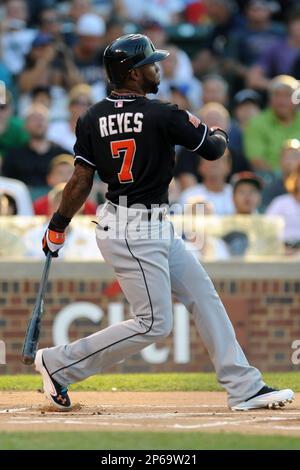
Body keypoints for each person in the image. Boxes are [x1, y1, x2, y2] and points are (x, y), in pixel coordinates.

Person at [35, 33, 294, 411]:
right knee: (154, 323)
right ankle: (59, 363)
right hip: (135, 228)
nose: (157, 69)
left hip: (137, 223)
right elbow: (214, 148)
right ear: (133, 74)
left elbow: (79, 182)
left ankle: (244, 386)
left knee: (203, 295)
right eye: (150, 64)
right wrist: (219, 130)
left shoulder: (92, 117)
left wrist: (58, 224)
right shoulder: (162, 112)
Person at [244, 75, 300, 172]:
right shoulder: (256, 123)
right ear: (270, 99)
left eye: (287, 95)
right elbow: (256, 160)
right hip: (269, 181)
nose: (282, 101)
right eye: (277, 95)